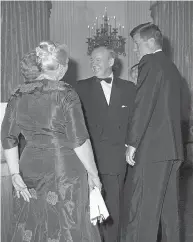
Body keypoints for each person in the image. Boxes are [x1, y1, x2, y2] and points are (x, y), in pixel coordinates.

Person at [1, 40, 102, 242]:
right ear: (62, 68)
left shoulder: (18, 94)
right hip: (63, 167)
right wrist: (94, 174)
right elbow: (79, 140)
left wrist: (14, 173)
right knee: (66, 221)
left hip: (29, 166)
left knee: (31, 222)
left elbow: (7, 137)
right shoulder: (65, 92)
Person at [123, 23, 184, 242]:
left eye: (137, 44)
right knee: (169, 212)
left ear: (150, 42)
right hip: (172, 149)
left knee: (143, 212)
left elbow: (143, 104)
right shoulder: (171, 67)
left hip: (152, 150)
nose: (135, 50)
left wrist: (132, 142)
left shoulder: (149, 62)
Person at [76, 46, 136, 242]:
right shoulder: (79, 88)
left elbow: (135, 121)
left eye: (98, 60)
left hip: (116, 159)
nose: (93, 64)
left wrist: (130, 145)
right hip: (88, 159)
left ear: (111, 62)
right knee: (88, 209)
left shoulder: (129, 88)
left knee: (113, 209)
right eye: (92, 60)